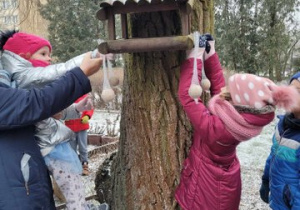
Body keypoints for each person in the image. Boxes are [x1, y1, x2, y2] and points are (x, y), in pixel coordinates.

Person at [175, 33, 298, 210]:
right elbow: (219, 91)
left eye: (231, 92)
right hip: (224, 186)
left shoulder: (216, 130)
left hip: (208, 196)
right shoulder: (236, 121)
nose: (225, 91)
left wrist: (195, 57)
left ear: (236, 103)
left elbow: (189, 97)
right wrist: (210, 55)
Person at [0, 30, 99, 209]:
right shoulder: (27, 77)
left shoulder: (13, 80)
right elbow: (37, 102)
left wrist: (77, 109)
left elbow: (48, 111)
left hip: (32, 171)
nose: (49, 59)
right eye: (43, 53)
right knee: (71, 183)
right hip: (43, 155)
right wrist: (87, 62)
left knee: (71, 181)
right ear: (24, 56)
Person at [259, 72, 300, 210]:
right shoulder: (283, 124)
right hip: (279, 199)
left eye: (298, 91)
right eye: (291, 89)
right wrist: (266, 180)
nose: (292, 94)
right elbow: (273, 153)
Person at [65, 94, 94, 176]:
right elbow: (62, 109)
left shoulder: (85, 97)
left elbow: (90, 108)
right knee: (71, 148)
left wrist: (87, 116)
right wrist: (65, 115)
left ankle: (84, 165)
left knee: (83, 147)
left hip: (82, 126)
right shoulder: (67, 97)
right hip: (70, 128)